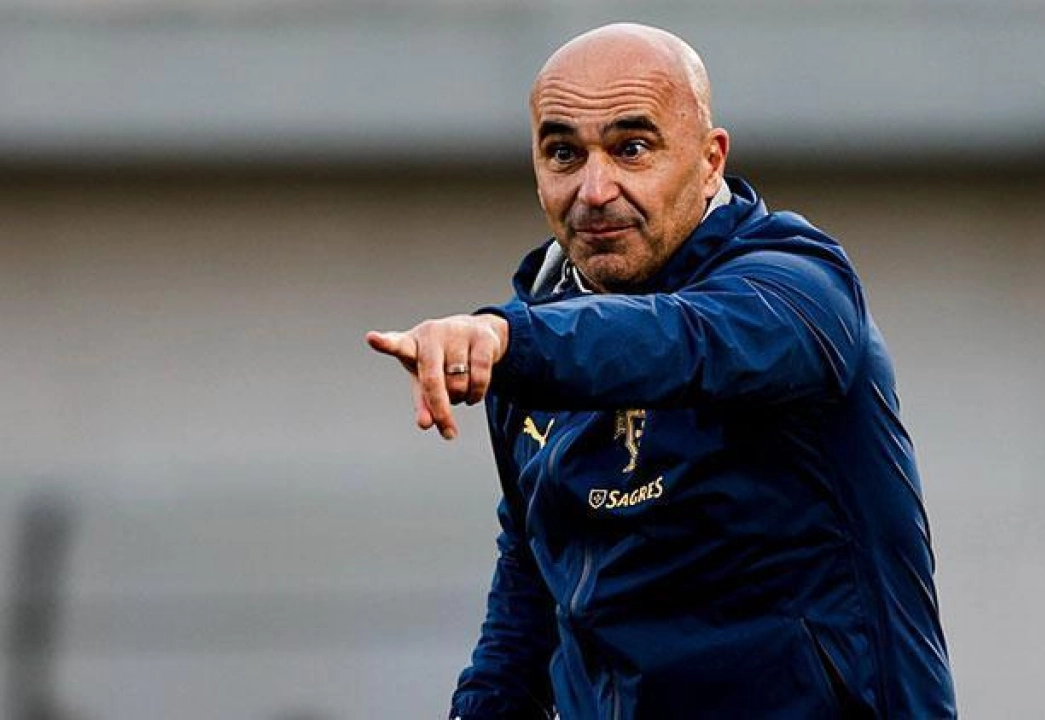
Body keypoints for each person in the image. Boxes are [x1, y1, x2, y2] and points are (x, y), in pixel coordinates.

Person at [368, 23, 955, 719]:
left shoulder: (800, 288)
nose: (594, 189)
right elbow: (530, 595)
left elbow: (682, 339)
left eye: (632, 149)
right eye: (563, 153)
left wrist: (511, 340)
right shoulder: (530, 343)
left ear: (709, 161)